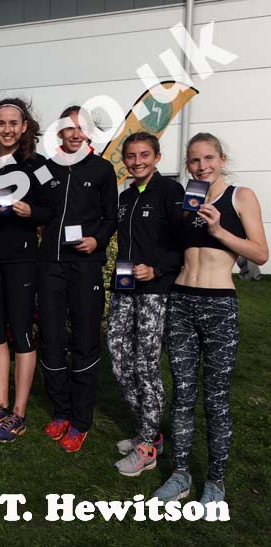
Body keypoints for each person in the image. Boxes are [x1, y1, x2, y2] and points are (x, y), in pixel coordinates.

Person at [153, 133, 267, 504]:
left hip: (219, 305)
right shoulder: (187, 200)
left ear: (221, 158)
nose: (202, 166)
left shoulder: (240, 196)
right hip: (182, 302)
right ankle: (181, 475)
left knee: (216, 398)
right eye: (194, 161)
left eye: (208, 159)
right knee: (182, 395)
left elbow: (261, 253)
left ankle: (215, 482)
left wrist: (219, 230)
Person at [36, 106, 117, 453]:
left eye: (80, 128)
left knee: (85, 339)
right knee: (52, 338)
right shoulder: (45, 169)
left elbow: (112, 216)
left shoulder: (102, 169)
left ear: (88, 133)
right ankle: (60, 411)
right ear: (60, 132)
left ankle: (81, 420)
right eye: (68, 128)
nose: (75, 133)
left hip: (85, 266)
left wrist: (97, 239)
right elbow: (39, 208)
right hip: (51, 265)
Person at [107, 132, 184, 476]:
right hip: (124, 288)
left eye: (144, 155)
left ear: (157, 156)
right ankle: (150, 431)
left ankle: (148, 446)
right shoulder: (125, 197)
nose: (137, 161)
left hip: (155, 290)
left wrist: (157, 268)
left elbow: (183, 244)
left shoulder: (170, 192)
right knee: (119, 359)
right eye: (131, 156)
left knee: (145, 365)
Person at [0, 98, 45, 443]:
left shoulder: (39, 165)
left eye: (13, 122)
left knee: (21, 330)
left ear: (24, 126)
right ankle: (0, 406)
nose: (7, 129)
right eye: (1, 123)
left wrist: (33, 212)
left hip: (22, 258)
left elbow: (52, 209)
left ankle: (19, 412)